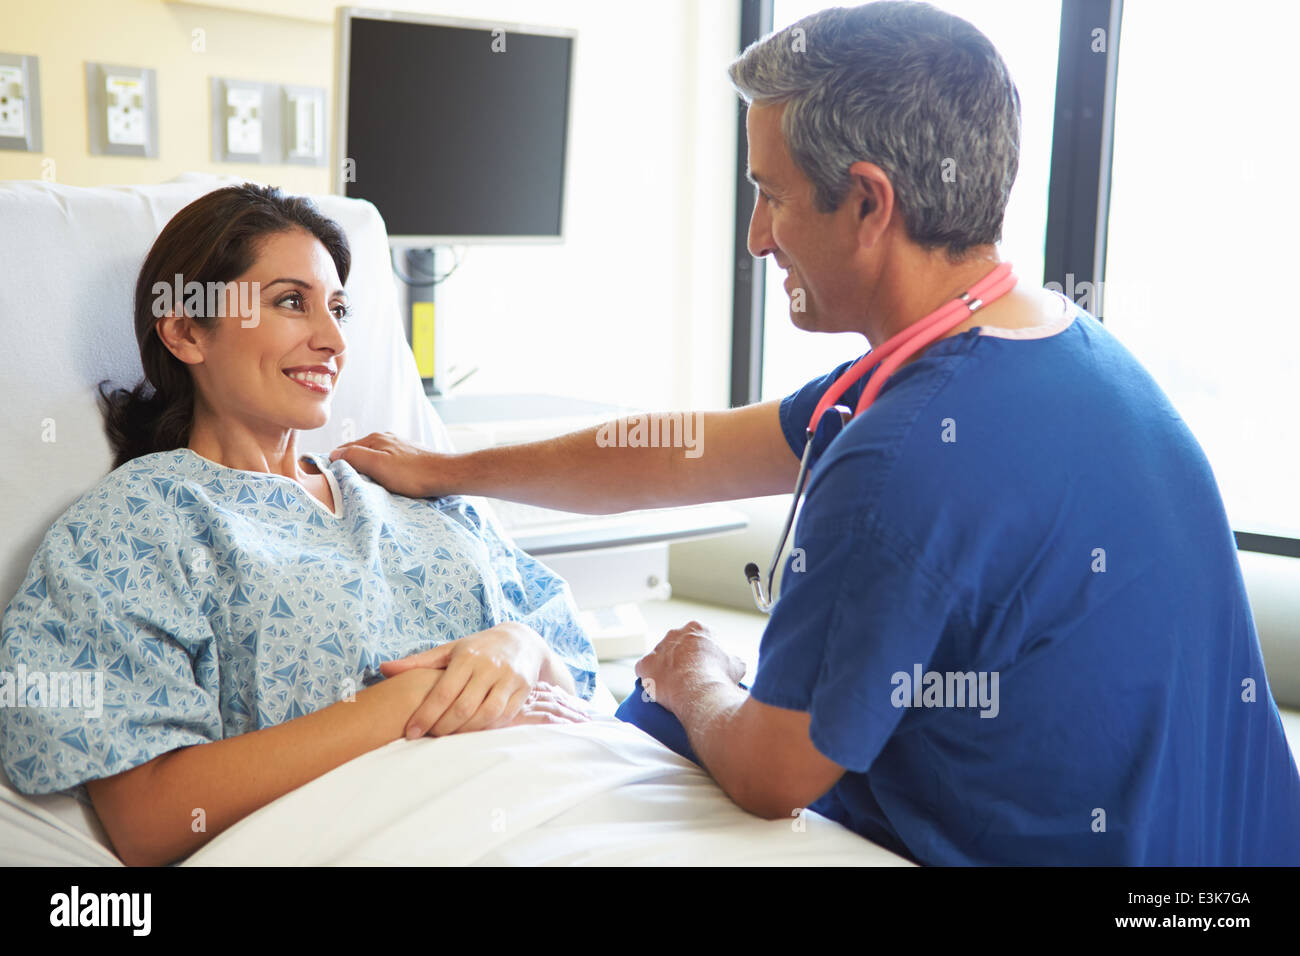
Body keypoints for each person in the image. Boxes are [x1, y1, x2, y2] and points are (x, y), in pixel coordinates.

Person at [331, 2, 1300, 864]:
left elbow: (771, 773)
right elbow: (690, 447)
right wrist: (451, 464)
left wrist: (692, 676)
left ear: (869, 202)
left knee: (648, 721)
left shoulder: (902, 453)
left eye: (771, 192)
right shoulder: (1052, 342)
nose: (755, 237)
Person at [0, 183, 598, 867]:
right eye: (292, 302)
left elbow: (583, 688)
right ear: (187, 330)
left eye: (339, 308)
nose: (335, 340)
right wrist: (405, 703)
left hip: (580, 798)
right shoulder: (136, 526)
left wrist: (522, 647)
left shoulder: (411, 487)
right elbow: (149, 817)